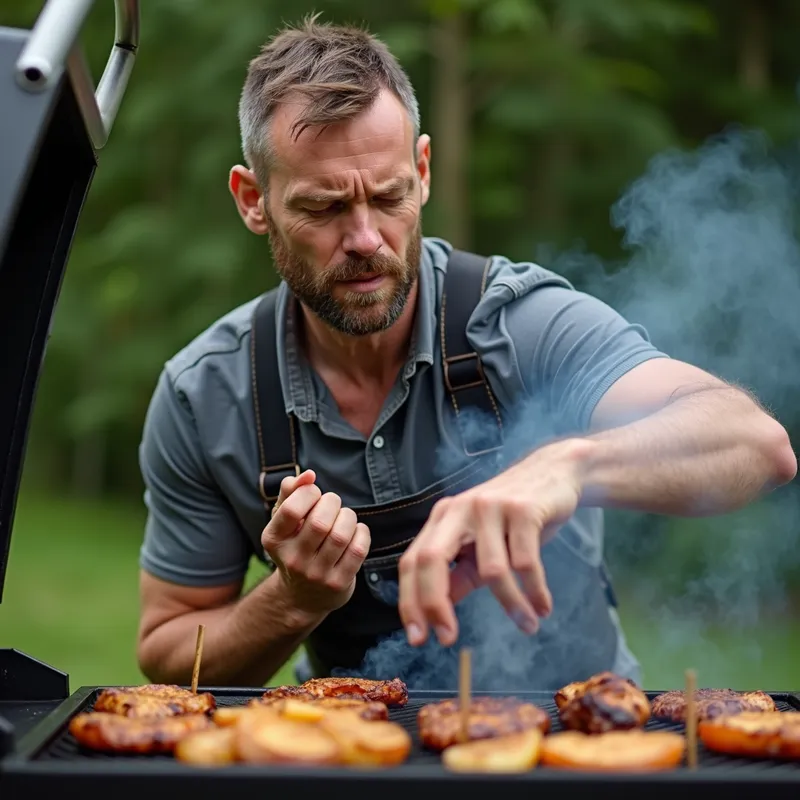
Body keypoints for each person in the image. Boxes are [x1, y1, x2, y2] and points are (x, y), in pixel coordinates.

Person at [134, 15, 797, 690]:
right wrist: (293, 601)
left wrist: (561, 469)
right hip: (351, 757)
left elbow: (755, 444)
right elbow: (166, 655)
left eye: (388, 196)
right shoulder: (203, 398)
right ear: (254, 201)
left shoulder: (520, 322)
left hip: (583, 747)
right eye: (325, 208)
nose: (366, 238)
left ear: (422, 172)